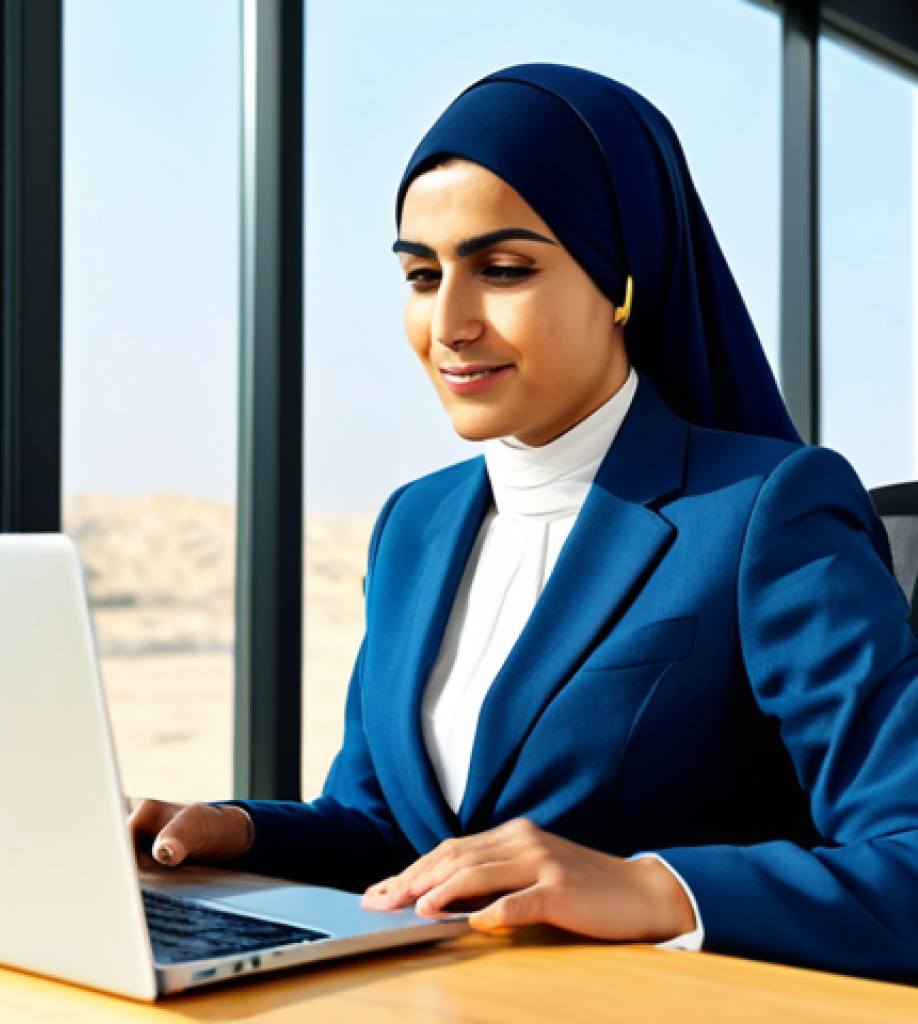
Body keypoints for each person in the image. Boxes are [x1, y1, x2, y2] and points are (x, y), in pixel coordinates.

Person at [130, 64, 918, 979]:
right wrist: (237, 830)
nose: (450, 323)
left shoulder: (766, 511)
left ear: (622, 280)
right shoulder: (415, 525)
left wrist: (650, 888)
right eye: (423, 276)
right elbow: (391, 834)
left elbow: (906, 853)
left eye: (502, 270)